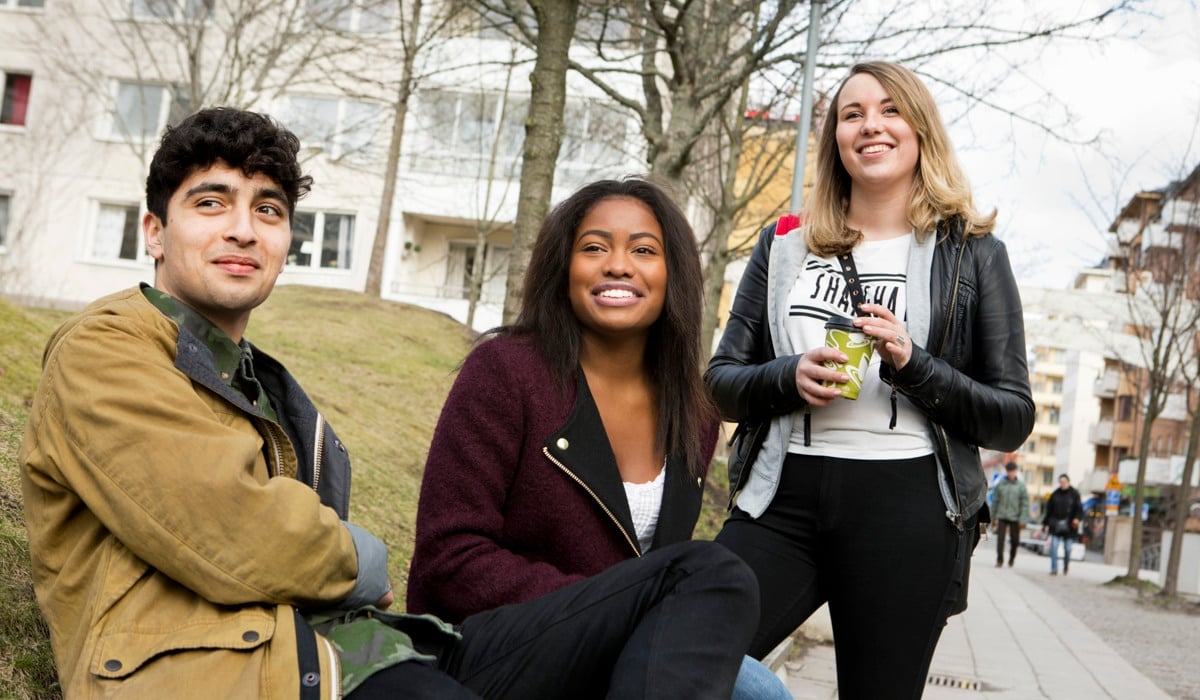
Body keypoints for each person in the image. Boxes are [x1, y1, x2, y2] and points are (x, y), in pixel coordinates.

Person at [19, 108, 761, 699]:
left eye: (268, 210)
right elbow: (229, 529)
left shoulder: (257, 383)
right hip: (231, 670)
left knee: (712, 577)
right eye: (211, 204)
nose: (243, 228)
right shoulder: (108, 348)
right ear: (154, 230)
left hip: (363, 651)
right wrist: (360, 560)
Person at [706, 61, 1035, 699]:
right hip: (781, 495)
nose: (869, 126)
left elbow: (1011, 414)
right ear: (835, 138)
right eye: (851, 114)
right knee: (685, 650)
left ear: (920, 130)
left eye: (889, 110)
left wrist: (916, 365)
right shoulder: (784, 245)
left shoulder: (974, 253)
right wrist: (787, 377)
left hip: (907, 505)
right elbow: (720, 382)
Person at [407, 177, 790, 700]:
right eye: (594, 247)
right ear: (564, 269)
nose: (617, 265)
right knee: (717, 574)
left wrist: (626, 611)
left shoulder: (693, 413)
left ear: (671, 274)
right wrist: (608, 604)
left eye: (643, 250)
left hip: (623, 648)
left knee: (766, 694)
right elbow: (447, 562)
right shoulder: (505, 373)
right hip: (493, 649)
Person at [1042, 474, 1084, 575]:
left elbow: (1079, 509)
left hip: (1069, 527)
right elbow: (1049, 510)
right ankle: (1054, 569)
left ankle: (1066, 565)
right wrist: (1045, 523)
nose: (1063, 484)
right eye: (1061, 482)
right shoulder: (1055, 494)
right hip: (1055, 526)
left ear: (1068, 482)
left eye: (1064, 482)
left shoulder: (1075, 494)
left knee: (1068, 549)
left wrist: (1077, 519)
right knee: (1053, 548)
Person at [992, 461, 1030, 567]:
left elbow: (1025, 503)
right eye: (1009, 471)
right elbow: (995, 501)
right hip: (1002, 516)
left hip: (1015, 517)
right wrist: (993, 518)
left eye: (1013, 471)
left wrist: (1022, 519)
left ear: (1016, 472)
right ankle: (999, 560)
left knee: (1015, 541)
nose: (1011, 473)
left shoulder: (1021, 486)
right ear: (1006, 472)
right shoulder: (1000, 484)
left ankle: (1012, 558)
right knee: (1000, 540)